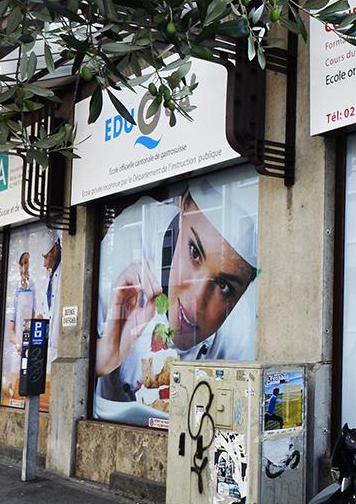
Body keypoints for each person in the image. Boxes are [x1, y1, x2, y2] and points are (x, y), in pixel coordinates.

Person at [94, 174, 258, 410]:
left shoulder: (238, 329)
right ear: (182, 206)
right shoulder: (133, 234)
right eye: (194, 252)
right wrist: (106, 355)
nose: (195, 303)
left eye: (224, 286)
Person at [2, 251, 35, 402]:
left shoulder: (35, 285)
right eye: (21, 264)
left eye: (26, 263)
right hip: (19, 349)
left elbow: (38, 316)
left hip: (33, 347)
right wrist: (19, 344)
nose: (23, 268)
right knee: (16, 388)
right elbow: (10, 332)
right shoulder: (16, 290)